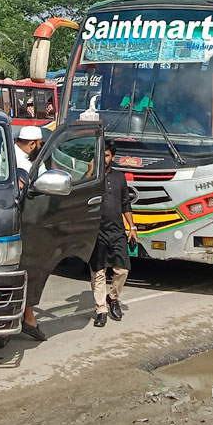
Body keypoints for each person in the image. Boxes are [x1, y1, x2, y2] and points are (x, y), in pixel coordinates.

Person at [90, 140, 136, 328]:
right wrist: (90, 172)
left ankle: (113, 298)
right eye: (101, 155)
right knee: (98, 272)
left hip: (117, 230)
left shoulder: (119, 177)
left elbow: (126, 203)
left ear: (113, 157)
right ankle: (101, 310)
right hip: (96, 231)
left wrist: (132, 227)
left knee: (122, 269)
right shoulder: (91, 178)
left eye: (107, 155)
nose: (104, 158)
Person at [11, 125, 48, 342]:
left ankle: (26, 315)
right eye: (40, 144)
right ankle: (27, 317)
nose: (40, 148)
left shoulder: (31, 159)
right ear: (33, 144)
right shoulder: (12, 159)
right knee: (29, 269)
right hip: (20, 224)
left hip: (32, 222)